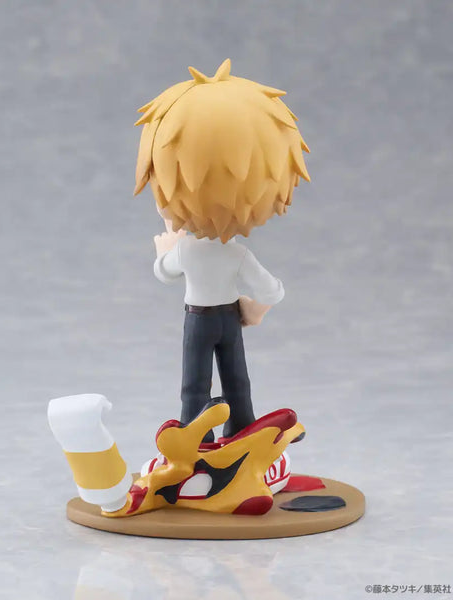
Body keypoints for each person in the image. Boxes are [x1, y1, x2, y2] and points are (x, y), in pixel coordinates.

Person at [134, 59, 310, 442]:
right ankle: (243, 428)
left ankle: (196, 439)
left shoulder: (187, 252)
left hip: (198, 321)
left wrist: (166, 247)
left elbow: (163, 272)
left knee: (194, 386)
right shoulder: (237, 254)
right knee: (236, 381)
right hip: (230, 319)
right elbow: (273, 290)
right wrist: (256, 309)